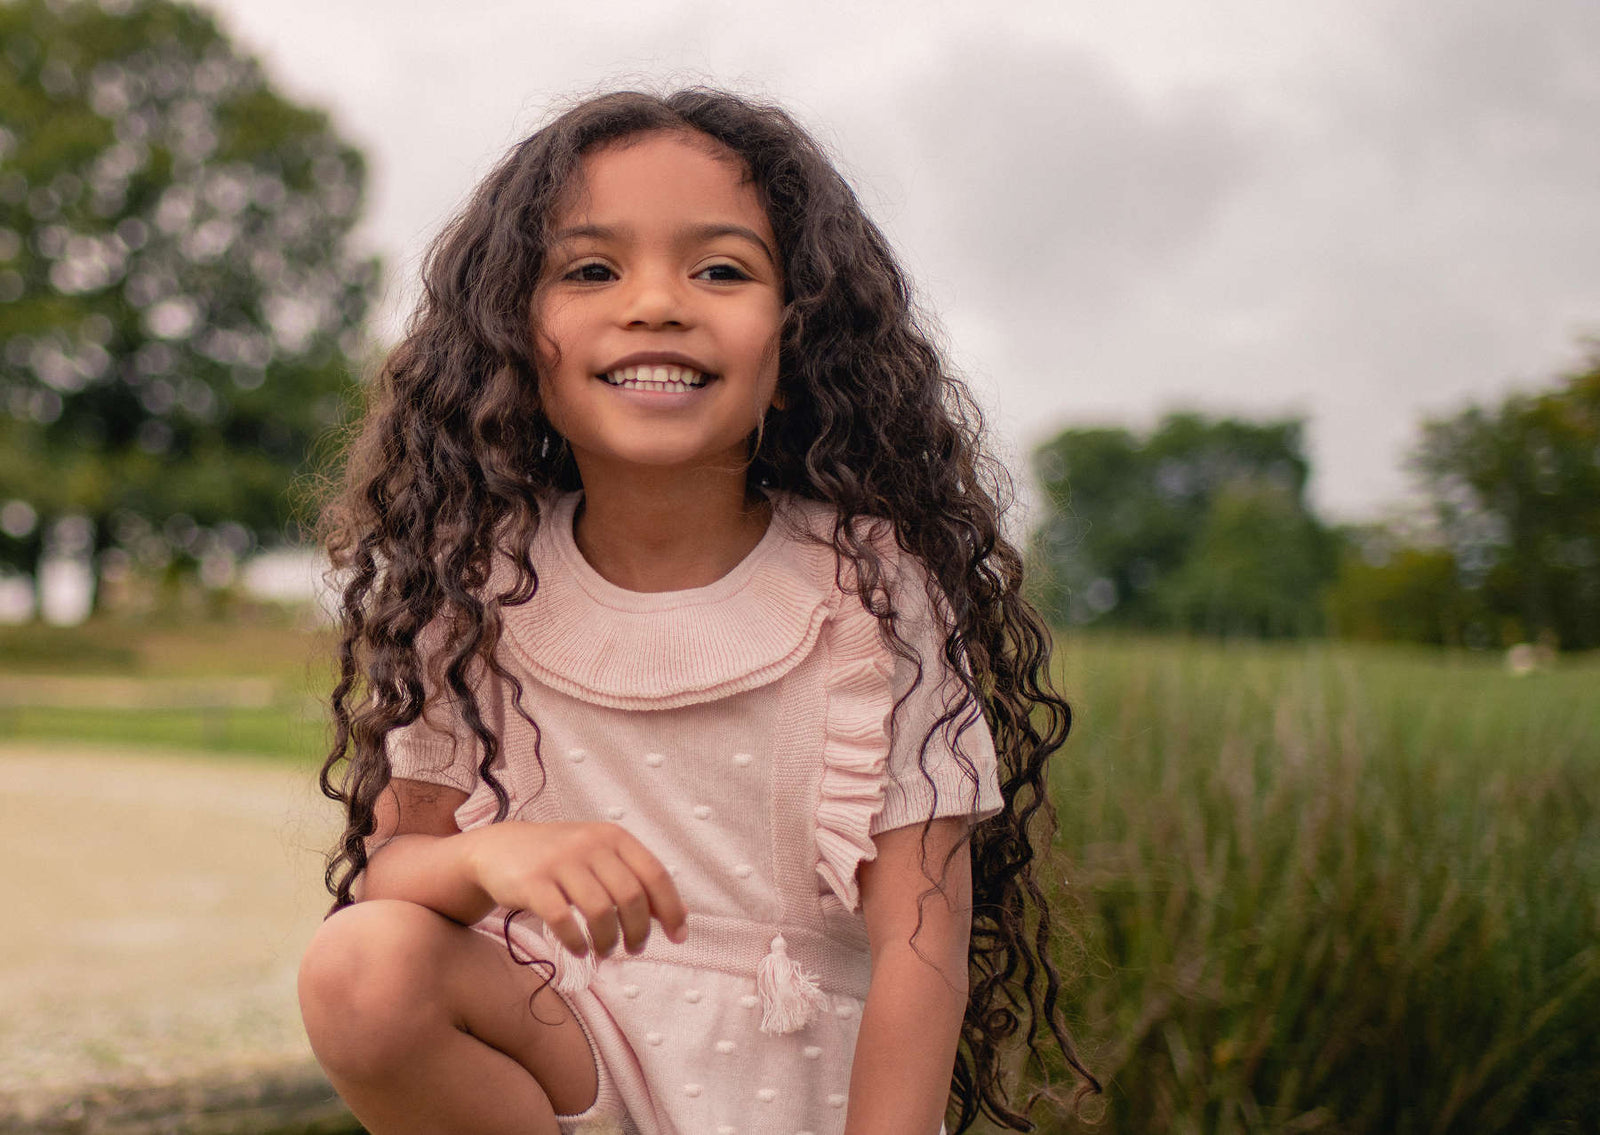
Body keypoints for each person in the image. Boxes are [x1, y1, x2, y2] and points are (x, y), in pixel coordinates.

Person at [299, 88, 1098, 1135]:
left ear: (793, 347)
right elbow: (391, 867)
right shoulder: (475, 580)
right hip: (561, 1058)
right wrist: (488, 857)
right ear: (513, 343)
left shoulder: (865, 583)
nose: (657, 303)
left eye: (720, 269)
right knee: (363, 963)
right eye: (592, 269)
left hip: (789, 1081)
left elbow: (921, 940)